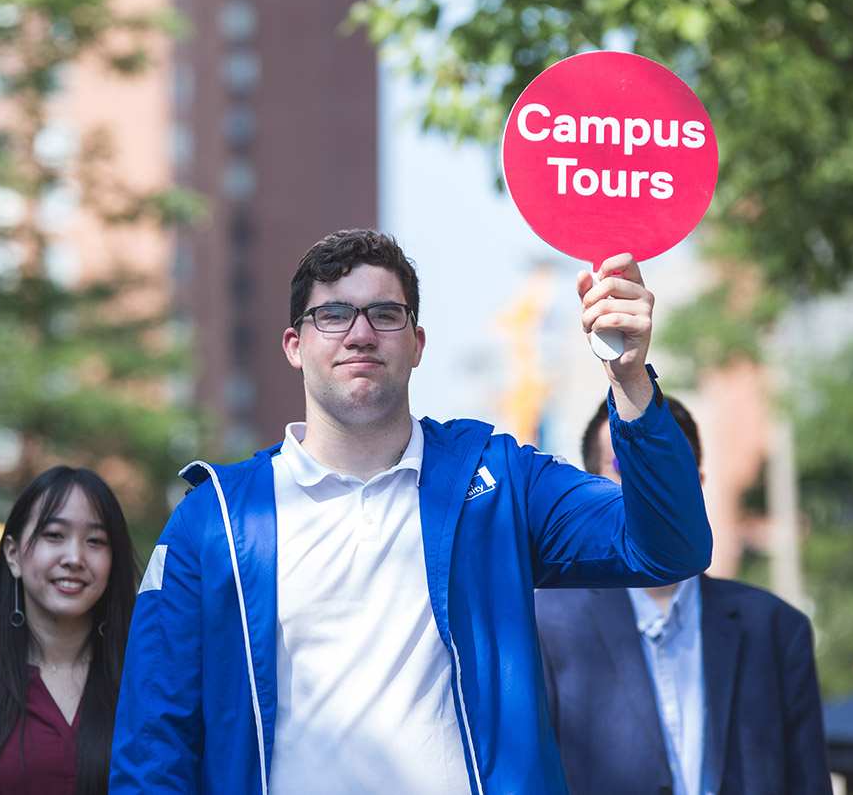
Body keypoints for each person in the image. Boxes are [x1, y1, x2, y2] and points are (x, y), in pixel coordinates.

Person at [108, 228, 712, 795]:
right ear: (295, 345)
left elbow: (669, 547)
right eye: (333, 314)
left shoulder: (499, 481)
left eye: (385, 314)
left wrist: (629, 378)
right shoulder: (211, 521)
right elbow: (153, 744)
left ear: (417, 343)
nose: (361, 333)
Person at [534, 397, 833, 794]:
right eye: (624, 466)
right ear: (591, 488)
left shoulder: (777, 627)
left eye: (667, 468)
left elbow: (808, 781)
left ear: (697, 484)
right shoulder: (545, 626)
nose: (647, 485)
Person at [0, 466, 139, 795]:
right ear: (12, 555)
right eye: (54, 535)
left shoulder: (144, 687)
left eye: (95, 541)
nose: (74, 557)